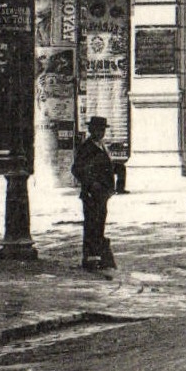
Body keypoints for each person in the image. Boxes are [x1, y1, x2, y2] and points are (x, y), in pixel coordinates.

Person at [71, 116, 117, 271]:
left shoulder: (102, 146)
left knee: (99, 225)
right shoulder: (86, 148)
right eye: (98, 129)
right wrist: (91, 184)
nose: (101, 132)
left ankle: (97, 256)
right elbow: (77, 169)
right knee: (92, 225)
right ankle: (90, 258)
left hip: (103, 194)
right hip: (92, 194)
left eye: (103, 130)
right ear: (91, 130)